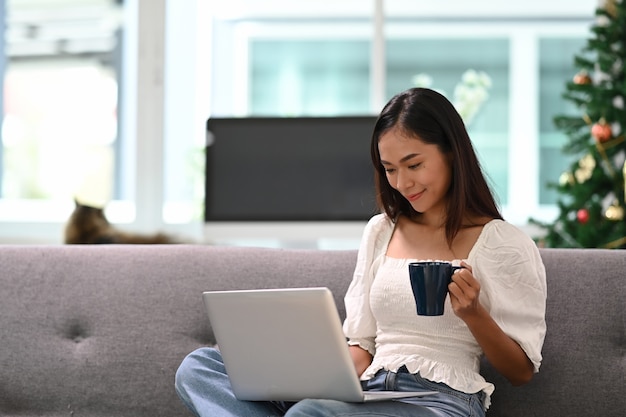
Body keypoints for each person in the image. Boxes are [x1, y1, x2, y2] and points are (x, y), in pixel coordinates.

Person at [174, 87, 547, 417]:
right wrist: (311, 374)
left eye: (414, 164)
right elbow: (363, 346)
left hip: (439, 401)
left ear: (452, 152)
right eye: (390, 169)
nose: (402, 183)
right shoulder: (381, 230)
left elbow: (521, 372)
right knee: (201, 367)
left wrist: (474, 313)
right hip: (364, 395)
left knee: (312, 413)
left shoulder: (501, 243)